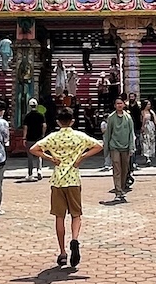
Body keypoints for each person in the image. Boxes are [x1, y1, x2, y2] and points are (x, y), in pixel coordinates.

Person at [29, 107, 102, 269]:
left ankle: (62, 252)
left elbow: (33, 149)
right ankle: (75, 239)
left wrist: (50, 158)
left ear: (57, 122)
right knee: (76, 215)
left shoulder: (53, 137)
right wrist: (81, 157)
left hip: (58, 181)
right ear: (73, 121)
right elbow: (98, 146)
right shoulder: (79, 136)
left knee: (59, 217)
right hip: (74, 179)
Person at [104, 96, 136, 200]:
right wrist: (107, 148)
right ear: (115, 105)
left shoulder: (128, 117)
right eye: (117, 103)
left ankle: (121, 188)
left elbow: (131, 133)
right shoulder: (111, 118)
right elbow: (108, 133)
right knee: (116, 168)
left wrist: (132, 147)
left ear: (124, 104)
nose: (119, 105)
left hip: (126, 147)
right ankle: (118, 191)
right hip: (114, 147)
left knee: (124, 169)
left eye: (121, 103)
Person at [24, 98, 47, 179]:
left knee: (30, 157)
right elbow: (44, 126)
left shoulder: (27, 116)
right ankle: (39, 170)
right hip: (39, 138)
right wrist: (43, 134)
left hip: (30, 138)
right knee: (39, 155)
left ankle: (30, 173)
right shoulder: (41, 115)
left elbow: (25, 128)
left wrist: (24, 138)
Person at [140, 99, 156, 164]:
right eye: (148, 104)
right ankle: (147, 157)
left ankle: (150, 155)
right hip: (146, 127)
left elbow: (155, 119)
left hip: (151, 127)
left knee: (151, 141)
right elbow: (142, 120)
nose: (149, 105)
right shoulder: (142, 112)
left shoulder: (151, 112)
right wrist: (142, 126)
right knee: (145, 141)